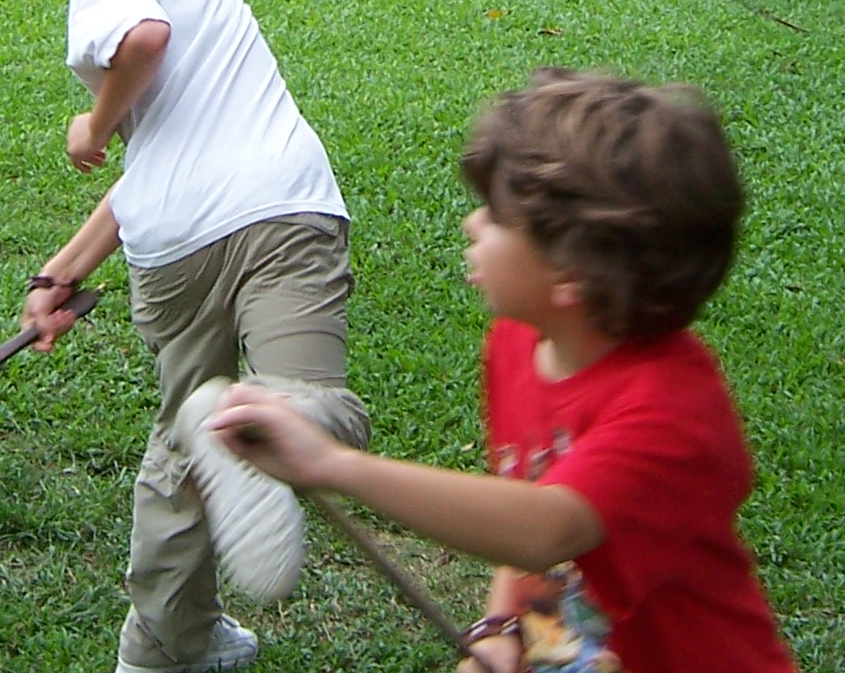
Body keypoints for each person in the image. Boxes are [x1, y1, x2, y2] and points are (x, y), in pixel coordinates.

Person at [208, 71, 793, 673]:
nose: (472, 224)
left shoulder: (670, 409)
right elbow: (520, 514)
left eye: (494, 214)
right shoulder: (518, 345)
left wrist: (332, 464)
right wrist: (500, 629)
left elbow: (548, 527)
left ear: (572, 275)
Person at [22, 0, 366, 673]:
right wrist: (60, 273)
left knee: (185, 445)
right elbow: (166, 149)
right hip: (285, 206)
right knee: (311, 408)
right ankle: (262, 422)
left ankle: (160, 651)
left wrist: (91, 127)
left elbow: (143, 39)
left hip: (176, 243)